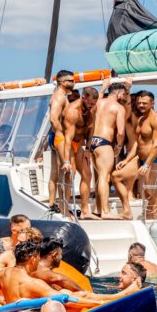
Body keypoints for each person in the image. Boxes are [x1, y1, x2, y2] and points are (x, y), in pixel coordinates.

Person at [114, 90, 157, 219]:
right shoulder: (141, 119)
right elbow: (138, 143)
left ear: (152, 103)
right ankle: (127, 211)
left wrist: (147, 164)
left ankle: (156, 222)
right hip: (140, 159)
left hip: (154, 160)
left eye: (144, 103)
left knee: (151, 194)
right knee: (116, 176)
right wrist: (127, 160)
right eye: (139, 103)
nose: (141, 105)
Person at [90, 81, 127, 218]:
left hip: (92, 142)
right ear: (117, 92)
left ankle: (99, 209)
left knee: (100, 177)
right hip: (104, 143)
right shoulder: (118, 107)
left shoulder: (98, 102)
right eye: (123, 93)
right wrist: (118, 147)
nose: (124, 96)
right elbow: (121, 132)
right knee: (105, 177)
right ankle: (105, 212)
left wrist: (103, 87)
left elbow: (98, 96)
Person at [62, 87, 98, 218]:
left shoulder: (92, 109)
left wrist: (88, 149)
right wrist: (66, 160)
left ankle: (84, 211)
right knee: (70, 172)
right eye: (89, 103)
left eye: (93, 104)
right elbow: (68, 137)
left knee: (87, 174)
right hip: (65, 141)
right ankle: (65, 209)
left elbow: (91, 129)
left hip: (79, 143)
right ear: (83, 98)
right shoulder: (72, 111)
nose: (91, 106)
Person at [48, 70, 75, 213]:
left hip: (54, 137)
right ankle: (63, 206)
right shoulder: (59, 97)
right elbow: (53, 118)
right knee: (65, 172)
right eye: (70, 80)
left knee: (55, 171)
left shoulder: (60, 96)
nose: (73, 82)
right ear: (62, 82)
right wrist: (62, 134)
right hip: (59, 137)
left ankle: (53, 203)